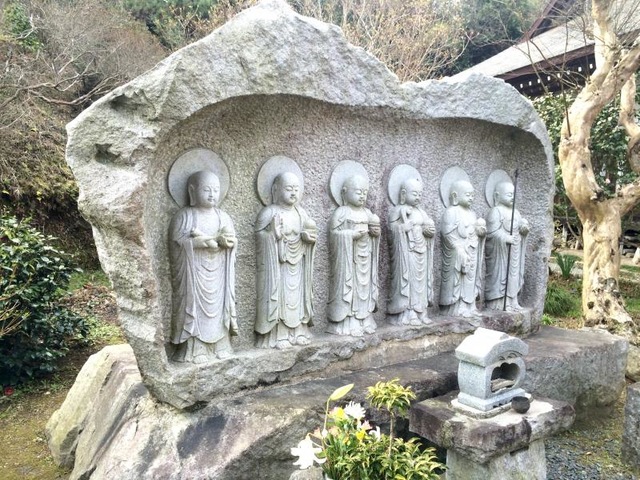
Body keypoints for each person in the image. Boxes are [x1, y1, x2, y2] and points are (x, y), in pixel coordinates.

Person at [169, 170, 237, 363]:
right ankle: (195, 349)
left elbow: (232, 240)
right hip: (193, 274)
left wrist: (228, 243)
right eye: (206, 190)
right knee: (193, 308)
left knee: (220, 308)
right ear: (192, 191)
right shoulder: (184, 216)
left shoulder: (223, 217)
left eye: (215, 190)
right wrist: (198, 243)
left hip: (220, 274)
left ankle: (221, 345)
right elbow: (175, 245)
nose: (212, 194)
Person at [254, 172, 317, 349]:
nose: (293, 193)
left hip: (299, 266)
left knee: (298, 299)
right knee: (278, 298)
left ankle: (299, 332)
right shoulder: (269, 212)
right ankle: (279, 335)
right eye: (288, 189)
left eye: (296, 189)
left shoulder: (301, 213)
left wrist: (308, 239)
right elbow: (259, 237)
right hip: (276, 267)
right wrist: (272, 235)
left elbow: (310, 234)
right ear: (276, 190)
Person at [327, 174, 380, 336]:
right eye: (358, 192)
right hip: (348, 261)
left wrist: (375, 233)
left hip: (366, 258)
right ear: (345, 192)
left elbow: (374, 233)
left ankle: (365, 320)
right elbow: (333, 235)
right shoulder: (341, 213)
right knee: (350, 289)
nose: (362, 196)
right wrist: (350, 235)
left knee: (364, 289)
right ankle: (348, 323)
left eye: (364, 192)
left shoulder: (367, 213)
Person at [388, 177, 435, 325]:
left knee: (420, 283)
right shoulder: (398, 211)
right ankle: (409, 313)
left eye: (420, 194)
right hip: (406, 253)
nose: (418, 197)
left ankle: (421, 311)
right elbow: (391, 231)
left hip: (422, 251)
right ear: (403, 194)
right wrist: (402, 228)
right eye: (414, 194)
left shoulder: (421, 212)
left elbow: (428, 229)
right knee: (409, 281)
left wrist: (429, 232)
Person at [439, 179, 486, 318]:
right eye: (467, 195)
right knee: (457, 279)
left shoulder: (472, 214)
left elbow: (474, 233)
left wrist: (481, 234)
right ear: (455, 196)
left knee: (470, 279)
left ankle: (469, 305)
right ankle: (456, 307)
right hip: (457, 254)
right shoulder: (451, 212)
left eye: (472, 195)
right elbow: (446, 234)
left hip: (472, 250)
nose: (471, 198)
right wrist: (458, 250)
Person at [485, 181, 529, 311]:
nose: (512, 197)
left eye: (514, 194)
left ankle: (512, 300)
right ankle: (498, 302)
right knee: (500, 275)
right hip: (500, 253)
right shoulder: (495, 211)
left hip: (514, 250)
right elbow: (491, 233)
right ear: (497, 195)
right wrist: (505, 238)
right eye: (509, 194)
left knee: (513, 276)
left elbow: (520, 231)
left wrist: (524, 231)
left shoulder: (516, 213)